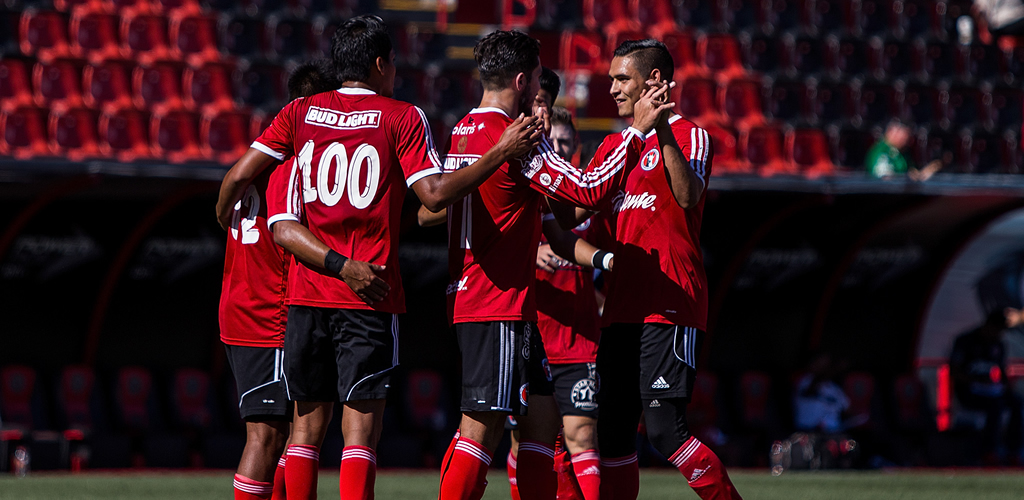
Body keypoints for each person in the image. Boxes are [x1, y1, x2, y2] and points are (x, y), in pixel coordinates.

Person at [215, 15, 542, 500]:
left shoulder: (301, 111)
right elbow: (432, 197)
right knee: (360, 436)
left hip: (307, 293)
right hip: (368, 292)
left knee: (304, 432)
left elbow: (241, 175)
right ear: (380, 64)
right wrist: (498, 152)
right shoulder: (401, 115)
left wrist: (224, 218)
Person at [434, 30, 673, 500]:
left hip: (494, 301)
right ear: (523, 81)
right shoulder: (516, 135)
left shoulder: (464, 127)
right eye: (540, 78)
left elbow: (559, 219)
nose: (542, 89)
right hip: (494, 303)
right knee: (479, 429)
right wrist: (637, 131)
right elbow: (586, 191)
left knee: (541, 419)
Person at [589, 39, 743, 500]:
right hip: (619, 310)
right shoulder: (613, 145)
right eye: (611, 78)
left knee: (664, 430)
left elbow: (688, 195)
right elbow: (584, 202)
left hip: (670, 304)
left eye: (622, 79)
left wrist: (661, 133)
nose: (612, 88)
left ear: (654, 81)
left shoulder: (691, 135)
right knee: (612, 433)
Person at [219, 58, 339, 500]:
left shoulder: (254, 166)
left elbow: (229, 189)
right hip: (268, 314)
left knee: (297, 430)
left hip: (246, 308)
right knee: (268, 437)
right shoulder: (292, 166)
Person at [505, 106, 611, 500]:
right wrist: (531, 251)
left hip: (579, 337)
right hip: (534, 338)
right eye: (556, 143)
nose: (562, 149)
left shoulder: (587, 201)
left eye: (568, 143)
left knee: (583, 434)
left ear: (577, 146)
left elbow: (606, 254)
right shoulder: (528, 192)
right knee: (526, 440)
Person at [950, 308, 1024, 464]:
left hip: (991, 392)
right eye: (997, 329)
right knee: (995, 406)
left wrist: (1002, 386)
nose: (999, 333)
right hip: (969, 392)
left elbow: (1002, 374)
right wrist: (976, 380)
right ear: (989, 325)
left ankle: (1013, 451)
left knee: (1017, 403)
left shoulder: (998, 345)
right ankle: (989, 451)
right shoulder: (966, 341)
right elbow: (955, 373)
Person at [864, 121, 941, 181]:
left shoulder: (901, 151)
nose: (906, 139)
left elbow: (909, 170)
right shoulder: (882, 152)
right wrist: (908, 177)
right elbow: (884, 179)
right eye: (904, 134)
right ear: (893, 132)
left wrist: (922, 173)